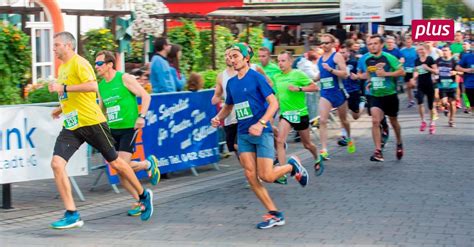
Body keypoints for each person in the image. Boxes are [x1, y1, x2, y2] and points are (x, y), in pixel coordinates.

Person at [48, 32, 153, 229]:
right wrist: (60, 107)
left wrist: (63, 87)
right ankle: (72, 213)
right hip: (72, 125)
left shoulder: (80, 63)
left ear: (68, 46)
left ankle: (143, 194)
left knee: (117, 163)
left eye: (56, 45)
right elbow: (71, 94)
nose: (53, 49)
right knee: (56, 163)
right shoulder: (63, 67)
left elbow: (91, 86)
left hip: (92, 122)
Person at [211, 43, 308, 229]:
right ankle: (274, 213)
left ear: (246, 58)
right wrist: (218, 118)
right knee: (251, 176)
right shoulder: (230, 83)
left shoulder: (256, 77)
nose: (232, 60)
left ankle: (291, 166)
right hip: (243, 133)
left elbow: (273, 104)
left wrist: (261, 123)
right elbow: (229, 106)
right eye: (230, 57)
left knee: (267, 176)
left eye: (235, 56)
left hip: (262, 132)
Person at [95, 50, 160, 216]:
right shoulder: (101, 86)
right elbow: (102, 109)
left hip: (128, 128)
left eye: (99, 63)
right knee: (119, 170)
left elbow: (146, 96)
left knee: (122, 165)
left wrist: (142, 116)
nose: (96, 66)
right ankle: (140, 198)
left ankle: (147, 169)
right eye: (95, 63)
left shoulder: (124, 78)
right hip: (112, 130)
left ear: (110, 64)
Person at [273, 51, 324, 176]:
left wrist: (299, 89)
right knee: (280, 141)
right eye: (278, 61)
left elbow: (315, 87)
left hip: (300, 114)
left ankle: (317, 157)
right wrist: (272, 112)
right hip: (286, 114)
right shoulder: (277, 77)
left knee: (307, 144)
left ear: (290, 62)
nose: (280, 63)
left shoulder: (298, 74)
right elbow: (278, 97)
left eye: (283, 61)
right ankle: (282, 173)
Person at [364, 35, 405, 162]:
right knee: (375, 121)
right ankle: (378, 151)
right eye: (370, 44)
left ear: (381, 45)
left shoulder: (389, 57)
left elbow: (402, 72)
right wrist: (369, 82)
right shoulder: (367, 60)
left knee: (394, 121)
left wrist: (386, 74)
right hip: (376, 95)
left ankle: (399, 142)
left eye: (375, 43)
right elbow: (369, 74)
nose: (372, 46)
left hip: (390, 95)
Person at [315, 34, 353, 160]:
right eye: (322, 43)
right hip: (325, 94)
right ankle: (324, 150)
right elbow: (321, 74)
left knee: (344, 120)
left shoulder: (337, 56)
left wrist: (331, 70)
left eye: (326, 43)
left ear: (332, 44)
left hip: (338, 91)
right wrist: (309, 80)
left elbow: (345, 74)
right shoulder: (320, 59)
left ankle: (348, 137)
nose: (324, 45)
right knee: (323, 121)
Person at [211, 48, 238, 157]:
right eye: (225, 55)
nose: (227, 57)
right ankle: (252, 172)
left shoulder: (241, 72)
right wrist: (215, 98)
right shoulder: (221, 76)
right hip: (229, 118)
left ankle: (256, 171)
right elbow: (216, 97)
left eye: (230, 55)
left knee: (239, 146)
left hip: (243, 117)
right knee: (235, 149)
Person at [409, 43, 438, 134]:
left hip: (429, 84)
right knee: (420, 102)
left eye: (422, 49)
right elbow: (416, 71)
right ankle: (423, 121)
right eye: (419, 50)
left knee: (430, 106)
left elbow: (436, 71)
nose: (420, 51)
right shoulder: (417, 60)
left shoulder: (430, 59)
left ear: (426, 50)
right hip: (420, 84)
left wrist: (428, 68)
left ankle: (432, 123)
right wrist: (413, 78)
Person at [436, 46, 458, 127]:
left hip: (452, 85)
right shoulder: (438, 60)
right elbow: (434, 68)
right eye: (443, 50)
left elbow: (460, 71)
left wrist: (456, 72)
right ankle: (446, 108)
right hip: (442, 86)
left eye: (446, 50)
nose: (444, 52)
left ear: (450, 52)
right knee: (444, 103)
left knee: (452, 103)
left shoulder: (453, 61)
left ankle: (451, 120)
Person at [400, 35, 418, 108]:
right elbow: (401, 60)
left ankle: (415, 90)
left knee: (412, 83)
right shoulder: (402, 50)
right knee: (408, 86)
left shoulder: (415, 49)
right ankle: (411, 100)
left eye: (410, 42)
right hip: (406, 69)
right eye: (407, 42)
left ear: (412, 42)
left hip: (414, 69)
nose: (408, 43)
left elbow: (419, 58)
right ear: (405, 42)